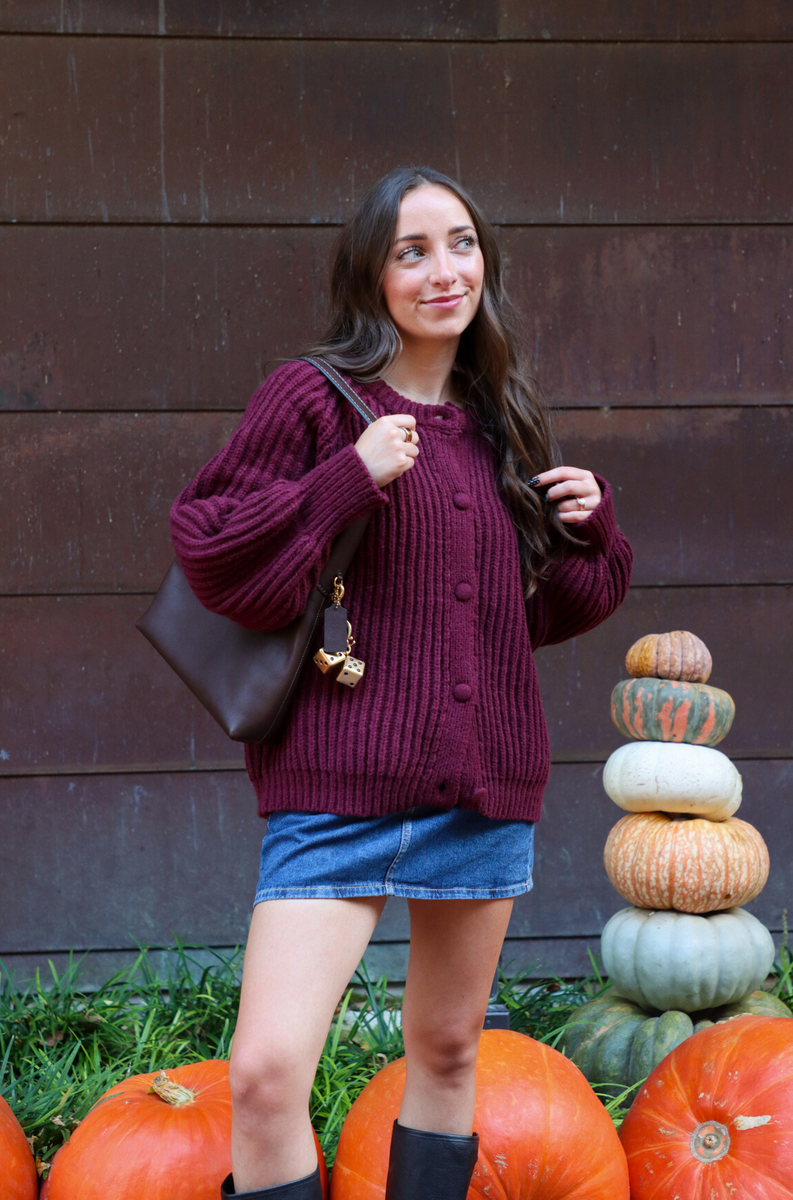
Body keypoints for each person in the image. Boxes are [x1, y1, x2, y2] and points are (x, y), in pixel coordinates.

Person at [170, 166, 632, 1200]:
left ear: (486, 264)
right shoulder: (312, 398)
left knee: (450, 1052)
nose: (442, 270)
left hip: (480, 788)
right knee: (265, 1072)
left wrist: (589, 527)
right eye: (410, 250)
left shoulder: (498, 418)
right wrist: (349, 476)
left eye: (460, 244)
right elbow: (217, 558)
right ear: (369, 274)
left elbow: (540, 613)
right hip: (337, 789)